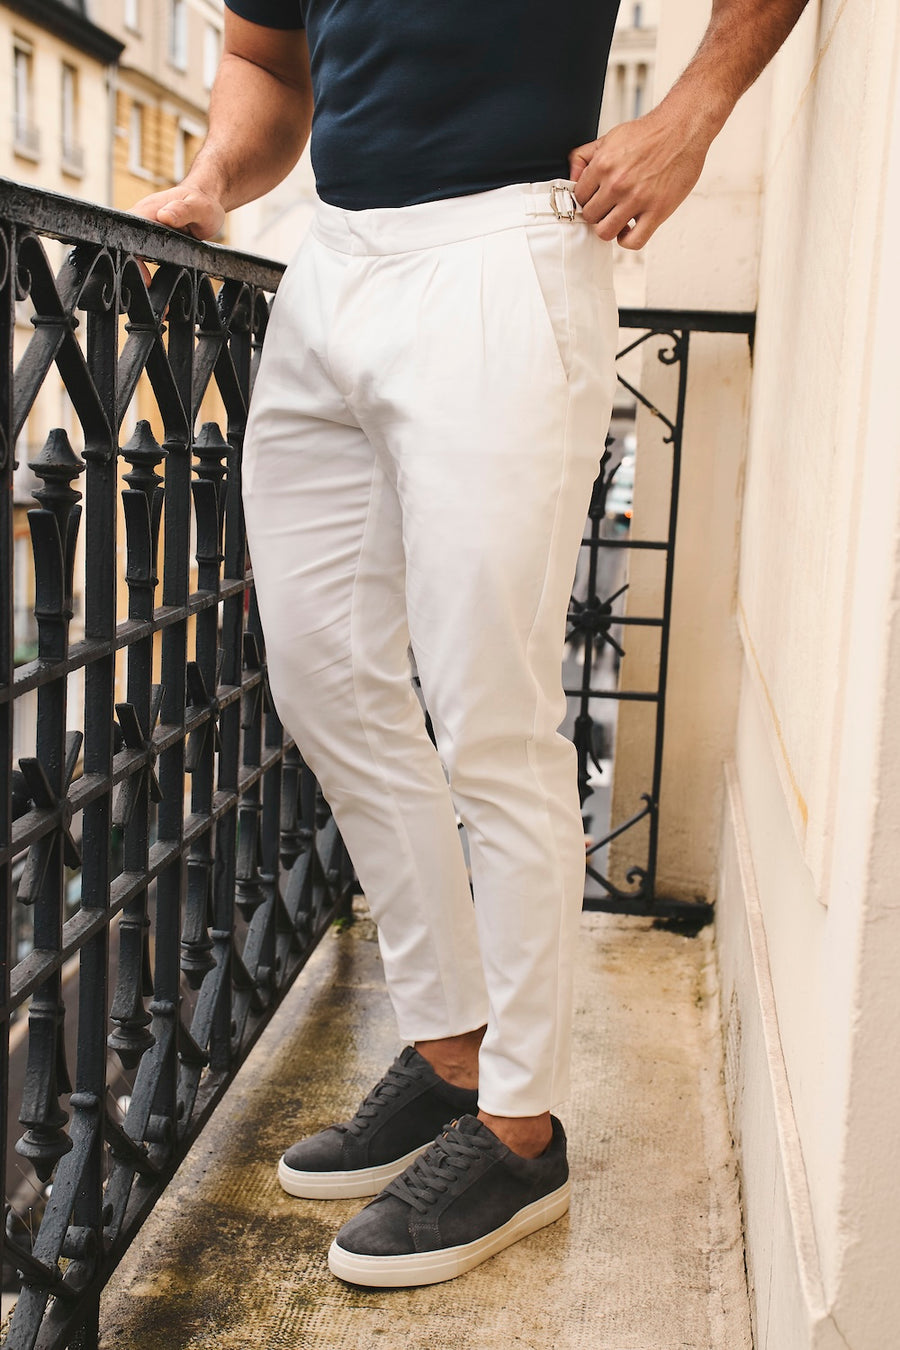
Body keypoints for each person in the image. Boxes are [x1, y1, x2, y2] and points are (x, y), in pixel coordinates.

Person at [133, 0, 808, 1289]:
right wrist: (213, 179)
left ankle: (522, 1128)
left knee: (489, 714)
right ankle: (451, 1047)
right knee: (325, 680)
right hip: (329, 262)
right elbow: (265, 56)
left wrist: (694, 113)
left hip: (505, 249)